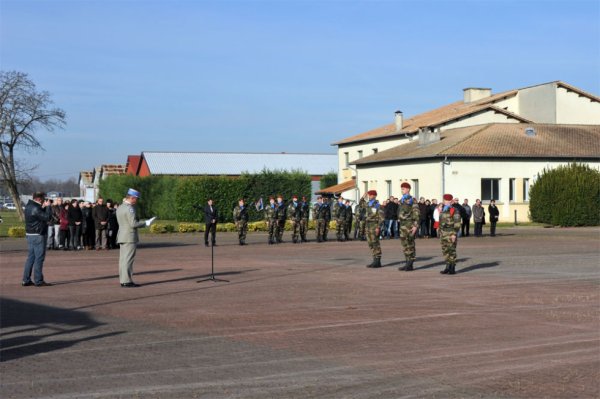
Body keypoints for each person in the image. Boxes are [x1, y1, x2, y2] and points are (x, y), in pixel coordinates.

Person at [116, 188, 155, 287]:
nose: (136, 201)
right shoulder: (130, 208)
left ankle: (123, 280)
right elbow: (133, 224)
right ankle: (127, 281)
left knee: (123, 260)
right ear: (132, 198)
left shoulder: (120, 207)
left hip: (122, 235)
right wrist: (145, 223)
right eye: (136, 199)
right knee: (128, 259)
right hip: (129, 236)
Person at [22, 192, 53, 287]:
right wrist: (48, 207)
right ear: (39, 199)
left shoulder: (29, 206)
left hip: (30, 234)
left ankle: (26, 279)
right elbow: (47, 217)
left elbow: (37, 216)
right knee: (39, 258)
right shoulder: (35, 208)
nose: (45, 200)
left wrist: (43, 207)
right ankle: (38, 280)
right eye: (43, 198)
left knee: (31, 258)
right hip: (38, 234)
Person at [358, 190, 384, 268]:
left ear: (374, 196)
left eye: (371, 195)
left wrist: (378, 227)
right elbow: (360, 203)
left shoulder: (378, 206)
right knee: (370, 243)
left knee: (375, 243)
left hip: (374, 226)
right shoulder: (368, 204)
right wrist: (363, 196)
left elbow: (381, 218)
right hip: (368, 226)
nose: (369, 196)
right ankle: (374, 260)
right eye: (369, 195)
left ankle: (378, 261)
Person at [397, 182, 420, 271]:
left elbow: (416, 213)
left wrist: (415, 226)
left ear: (408, 189)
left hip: (409, 225)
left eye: (403, 188)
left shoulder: (412, 200)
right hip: (403, 225)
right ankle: (407, 262)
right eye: (401, 188)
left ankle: (410, 263)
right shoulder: (402, 200)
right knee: (404, 244)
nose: (402, 190)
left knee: (410, 244)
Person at [439, 194, 463, 275]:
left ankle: (452, 268)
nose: (444, 201)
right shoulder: (443, 209)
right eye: (444, 200)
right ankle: (447, 267)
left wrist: (454, 234)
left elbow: (457, 223)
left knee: (451, 250)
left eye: (445, 200)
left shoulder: (454, 210)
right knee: (445, 250)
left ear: (449, 201)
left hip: (450, 233)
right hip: (443, 233)